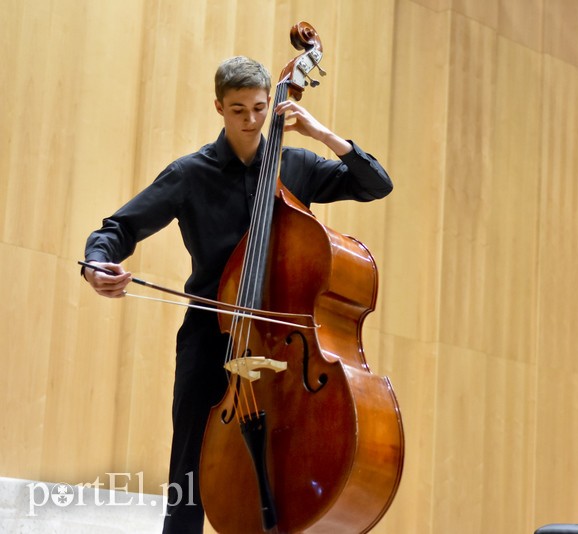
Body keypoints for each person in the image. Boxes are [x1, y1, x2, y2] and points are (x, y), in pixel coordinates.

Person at [82, 56, 393, 533]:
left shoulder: (297, 165)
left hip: (285, 349)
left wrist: (324, 135)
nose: (250, 121)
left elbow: (375, 184)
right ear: (219, 108)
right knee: (188, 467)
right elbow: (119, 227)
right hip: (212, 336)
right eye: (238, 110)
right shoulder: (191, 174)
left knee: (286, 465)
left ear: (272, 104)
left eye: (259, 108)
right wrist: (96, 262)